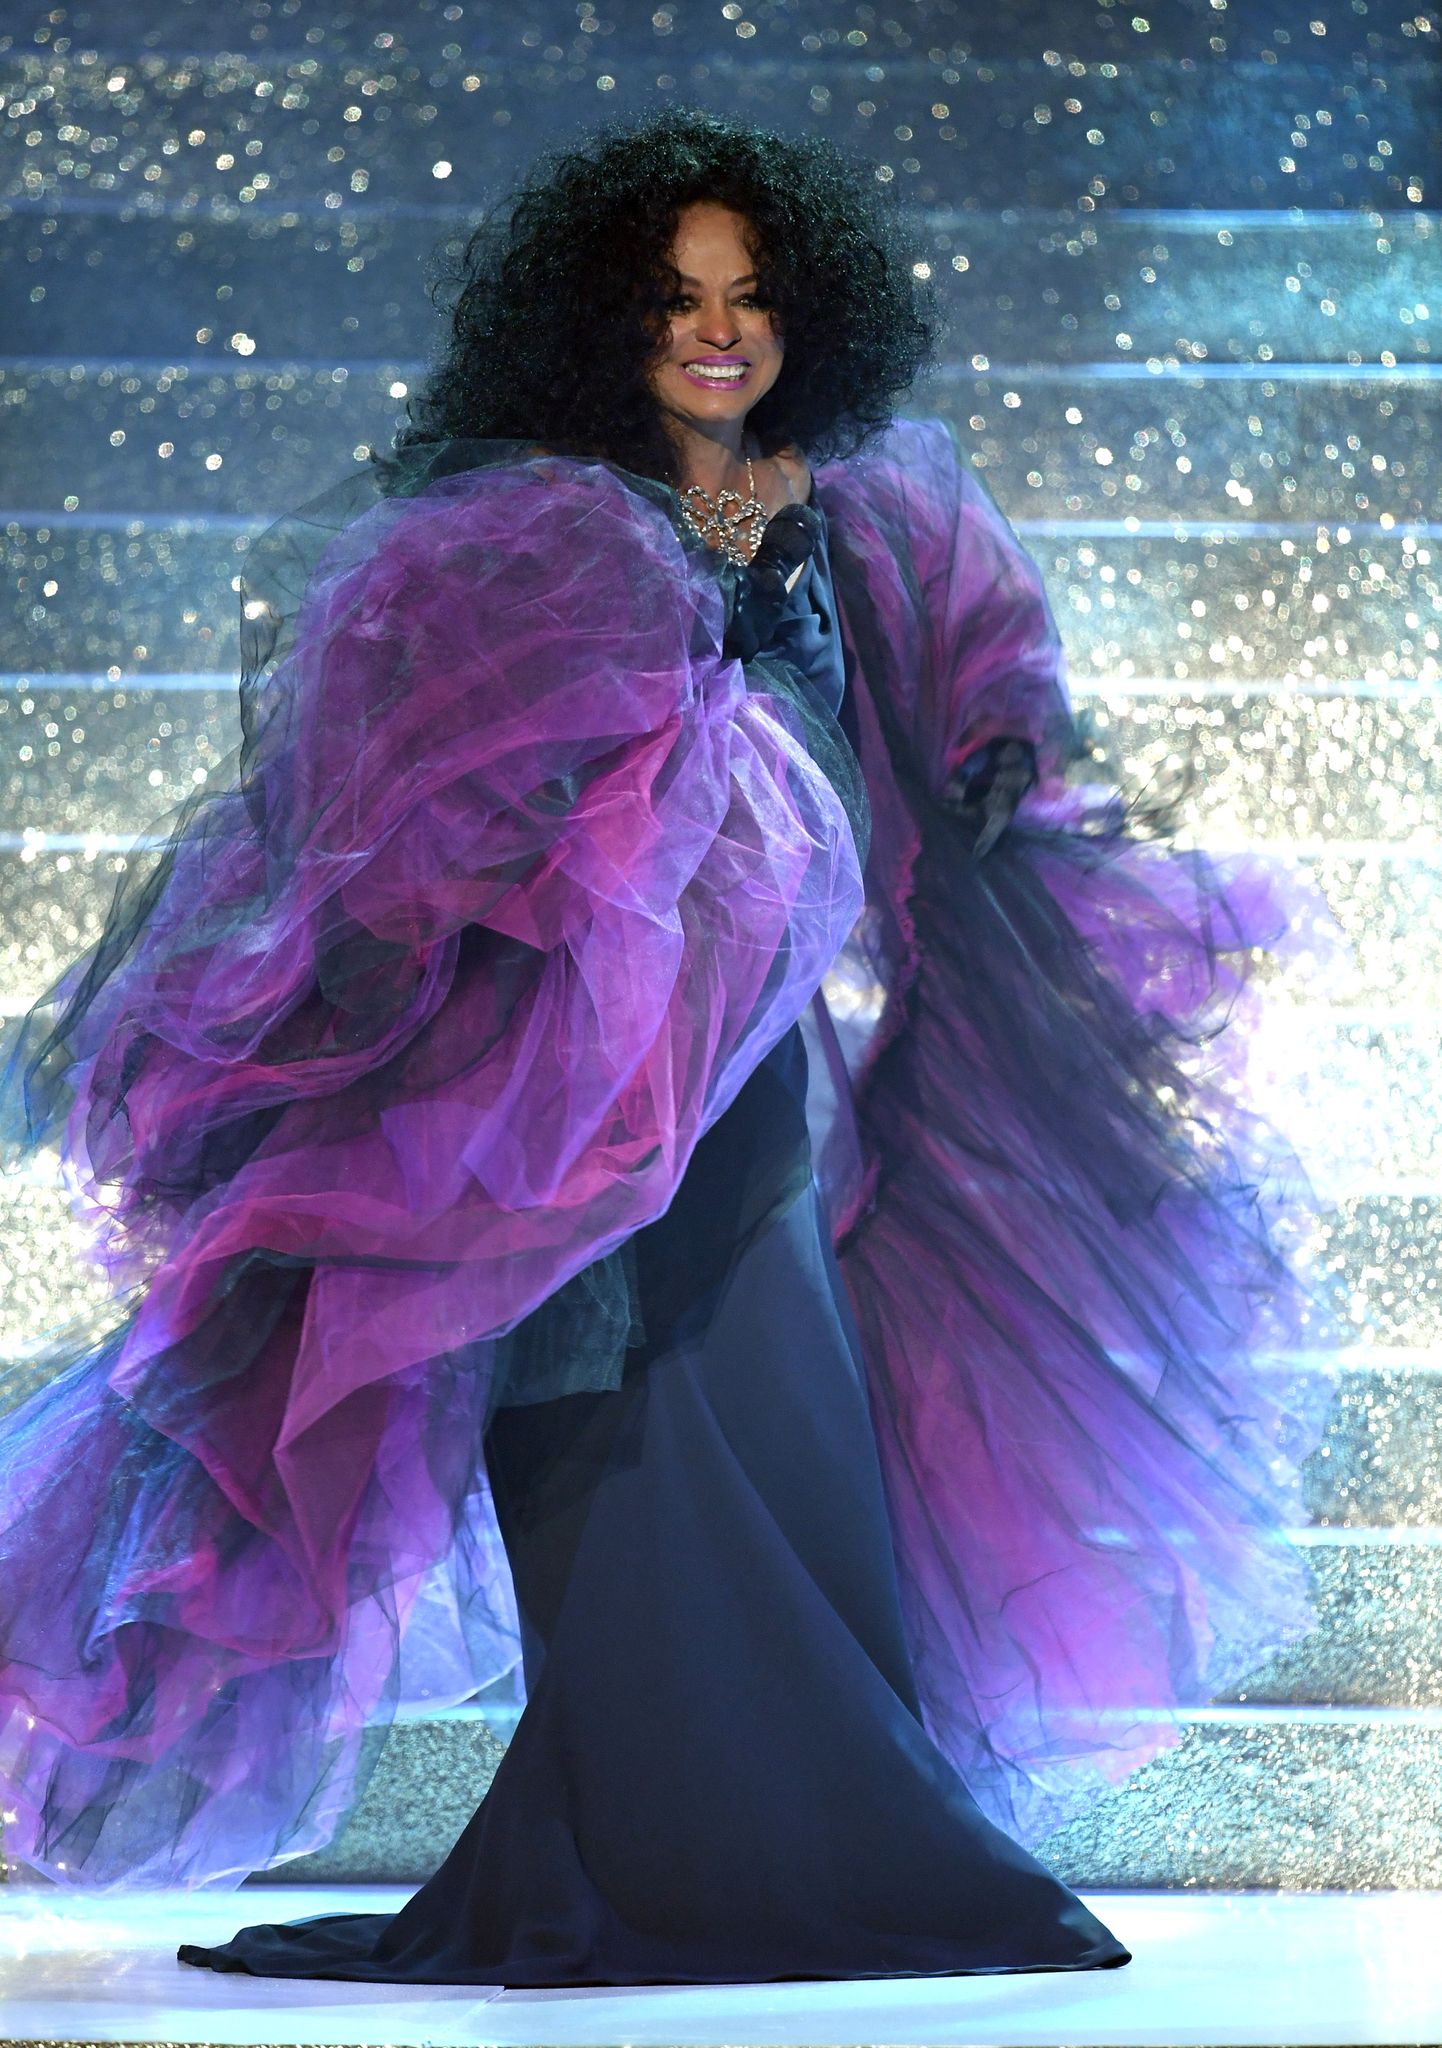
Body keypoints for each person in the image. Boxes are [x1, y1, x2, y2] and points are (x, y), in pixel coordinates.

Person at [0, 109, 1336, 1985]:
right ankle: (644, 1858)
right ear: (600, 323)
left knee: (781, 1440)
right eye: (674, 299)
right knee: (609, 1441)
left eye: (751, 296)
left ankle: (792, 1850)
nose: (718, 331)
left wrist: (1004, 770)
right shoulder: (523, 518)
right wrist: (691, 566)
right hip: (557, 1104)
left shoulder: (860, 509)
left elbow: (966, 704)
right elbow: (444, 793)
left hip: (752, 1098)